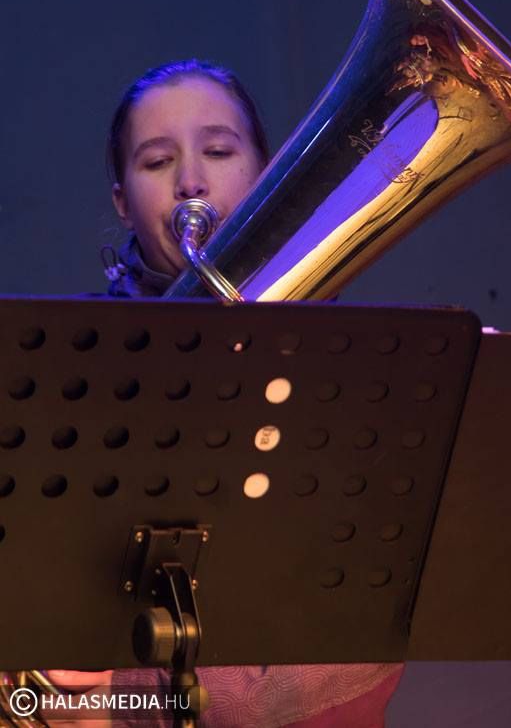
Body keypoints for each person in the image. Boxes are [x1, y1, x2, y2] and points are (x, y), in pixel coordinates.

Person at [47, 59, 403, 728]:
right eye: (157, 162)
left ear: (264, 173)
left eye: (218, 151)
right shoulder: (74, 367)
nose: (190, 181)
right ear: (123, 200)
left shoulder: (342, 363)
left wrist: (127, 698)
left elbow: (365, 638)